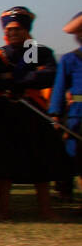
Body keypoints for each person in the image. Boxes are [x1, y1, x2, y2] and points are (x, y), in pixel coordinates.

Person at [0, 6, 66, 221]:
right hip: (5, 114)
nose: (13, 33)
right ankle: (3, 210)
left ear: (27, 30)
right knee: (3, 163)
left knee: (41, 160)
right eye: (9, 29)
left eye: (18, 29)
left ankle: (45, 209)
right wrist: (29, 76)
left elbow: (49, 76)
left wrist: (13, 78)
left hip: (34, 112)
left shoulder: (41, 52)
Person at [49, 11, 82, 192]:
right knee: (77, 157)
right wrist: (55, 113)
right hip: (78, 113)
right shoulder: (70, 59)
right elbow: (59, 89)